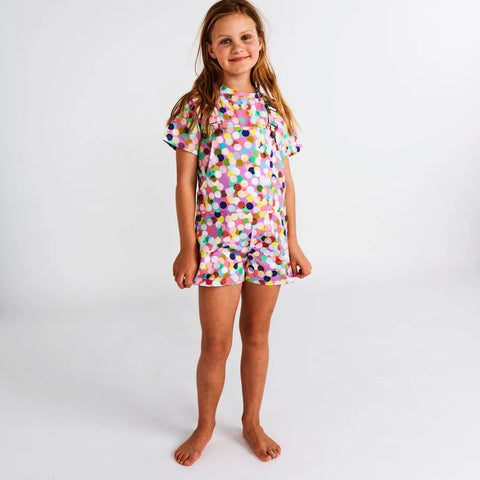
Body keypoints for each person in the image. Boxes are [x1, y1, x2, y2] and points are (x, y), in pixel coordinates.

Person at [163, 0, 312, 466]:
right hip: (218, 243)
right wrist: (188, 249)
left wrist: (292, 243)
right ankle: (206, 425)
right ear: (210, 50)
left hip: (268, 242)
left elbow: (285, 182)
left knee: (256, 335)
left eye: (246, 37)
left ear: (260, 44)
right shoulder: (197, 108)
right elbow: (184, 182)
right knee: (216, 344)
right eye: (225, 40)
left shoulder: (273, 110)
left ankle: (251, 421)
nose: (237, 47)